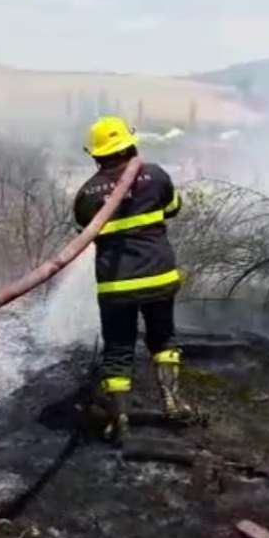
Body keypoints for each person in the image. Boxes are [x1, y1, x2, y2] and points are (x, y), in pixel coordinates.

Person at [73, 116, 190, 445]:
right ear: (129, 144)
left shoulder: (86, 194)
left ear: (97, 154)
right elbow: (173, 208)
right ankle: (172, 399)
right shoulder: (156, 175)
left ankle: (119, 417)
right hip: (158, 276)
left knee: (118, 349)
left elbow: (83, 232)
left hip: (116, 286)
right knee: (163, 338)